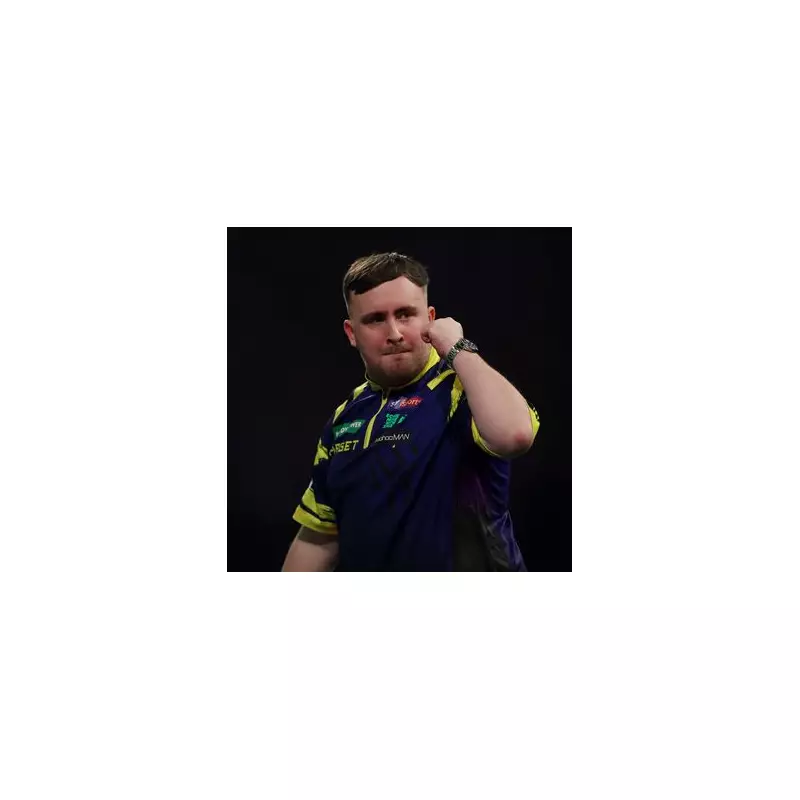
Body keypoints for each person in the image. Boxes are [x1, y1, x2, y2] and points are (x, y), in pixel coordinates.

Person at [282, 252, 540, 571]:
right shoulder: (344, 418)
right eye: (376, 319)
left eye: (405, 314)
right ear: (351, 333)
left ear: (430, 319)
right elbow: (319, 537)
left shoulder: (463, 387)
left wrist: (457, 348)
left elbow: (515, 435)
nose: (394, 333)